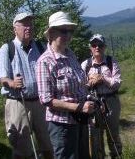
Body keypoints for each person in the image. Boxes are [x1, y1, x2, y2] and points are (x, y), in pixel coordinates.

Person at [36, 11, 95, 159]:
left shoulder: (71, 55)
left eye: (71, 31)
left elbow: (78, 84)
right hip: (62, 125)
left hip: (80, 119)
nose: (68, 35)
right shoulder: (45, 62)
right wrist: (78, 107)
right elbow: (46, 99)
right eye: (64, 31)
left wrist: (88, 86)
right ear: (51, 33)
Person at [0, 12, 53, 159]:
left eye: (30, 24)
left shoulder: (40, 47)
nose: (28, 27)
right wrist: (12, 82)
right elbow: (1, 78)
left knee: (48, 144)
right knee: (22, 149)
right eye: (24, 24)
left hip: (41, 103)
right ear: (15, 28)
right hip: (18, 104)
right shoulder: (7, 48)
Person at [81, 34, 122, 159]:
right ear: (90, 48)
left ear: (104, 47)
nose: (97, 47)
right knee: (96, 135)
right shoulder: (85, 64)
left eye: (100, 45)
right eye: (94, 45)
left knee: (113, 132)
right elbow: (80, 85)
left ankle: (116, 155)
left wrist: (102, 79)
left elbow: (117, 83)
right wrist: (90, 82)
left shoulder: (111, 62)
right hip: (94, 102)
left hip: (111, 101)